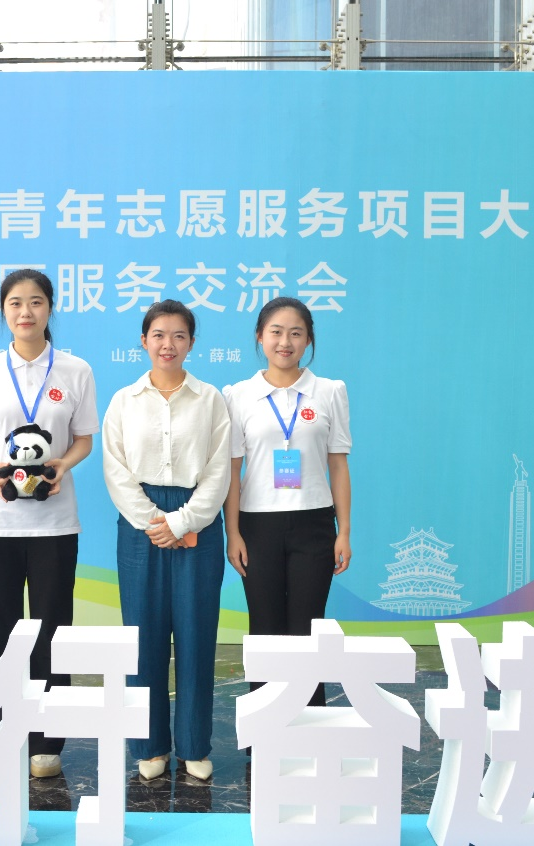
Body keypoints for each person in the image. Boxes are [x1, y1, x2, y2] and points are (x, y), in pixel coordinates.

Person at [0, 269, 98, 779]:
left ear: (50, 308)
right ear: (3, 310)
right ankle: (1, 730)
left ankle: (46, 741)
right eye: (16, 302)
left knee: (52, 631)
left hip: (54, 525)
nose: (25, 311)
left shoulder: (76, 371)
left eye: (36, 302)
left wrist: (63, 465)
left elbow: (83, 439)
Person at [102, 299, 231, 782]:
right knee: (143, 638)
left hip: (198, 517)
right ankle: (149, 744)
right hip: (140, 524)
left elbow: (219, 470)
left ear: (192, 343)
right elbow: (116, 470)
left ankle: (194, 745)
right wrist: (154, 521)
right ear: (144, 341)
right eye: (158, 335)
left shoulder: (210, 399)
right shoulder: (124, 400)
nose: (168, 344)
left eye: (179, 335)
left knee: (196, 634)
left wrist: (183, 522)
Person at [223, 297, 352, 706]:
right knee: (265, 628)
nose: (285, 342)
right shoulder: (239, 395)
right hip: (257, 525)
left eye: (296, 333)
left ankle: (310, 724)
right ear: (260, 337)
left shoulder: (329, 392)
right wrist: (233, 533)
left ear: (308, 340)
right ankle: (263, 725)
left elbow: (338, 466)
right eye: (276, 332)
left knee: (307, 630)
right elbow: (232, 470)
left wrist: (344, 531)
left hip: (314, 524)